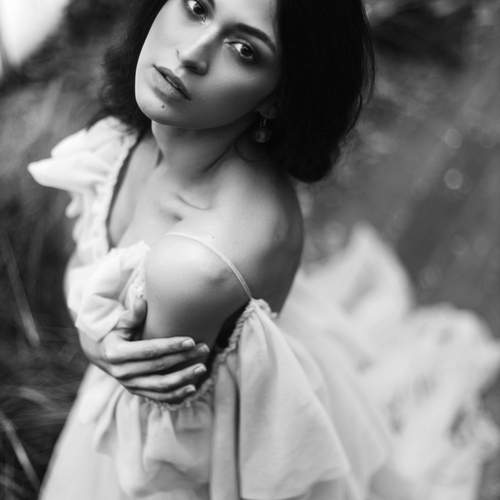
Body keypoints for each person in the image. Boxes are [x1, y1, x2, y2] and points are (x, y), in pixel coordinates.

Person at [27, 0, 500, 499]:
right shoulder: (149, 137)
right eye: (197, 7)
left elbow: (154, 460)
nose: (191, 52)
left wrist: (97, 344)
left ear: (276, 98)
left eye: (244, 50)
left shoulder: (193, 265)